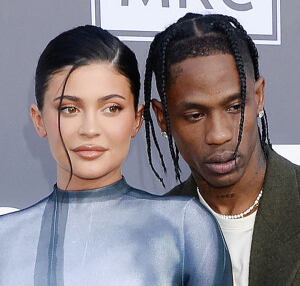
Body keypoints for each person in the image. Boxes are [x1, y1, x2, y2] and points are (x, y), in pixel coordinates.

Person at [0, 25, 232, 285]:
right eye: (69, 109)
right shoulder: (5, 240)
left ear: (136, 119)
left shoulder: (184, 228)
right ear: (39, 119)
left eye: (111, 108)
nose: (90, 129)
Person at [144, 13, 300, 286]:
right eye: (195, 115)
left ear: (259, 96)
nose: (219, 135)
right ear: (162, 117)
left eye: (234, 107)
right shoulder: (152, 234)